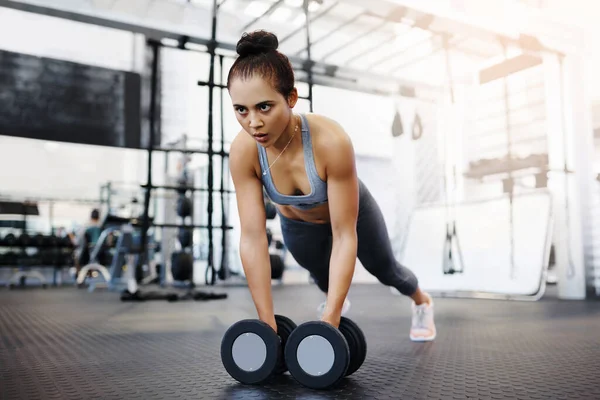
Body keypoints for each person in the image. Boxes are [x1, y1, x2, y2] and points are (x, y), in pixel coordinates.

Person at [227, 30, 436, 342]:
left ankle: (422, 301)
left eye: (264, 107)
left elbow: (344, 234)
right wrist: (266, 323)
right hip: (297, 225)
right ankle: (334, 297)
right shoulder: (244, 152)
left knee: (386, 269)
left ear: (291, 98)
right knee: (321, 277)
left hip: (353, 214)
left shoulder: (331, 142)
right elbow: (253, 238)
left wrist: (330, 321)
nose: (252, 122)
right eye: (241, 109)